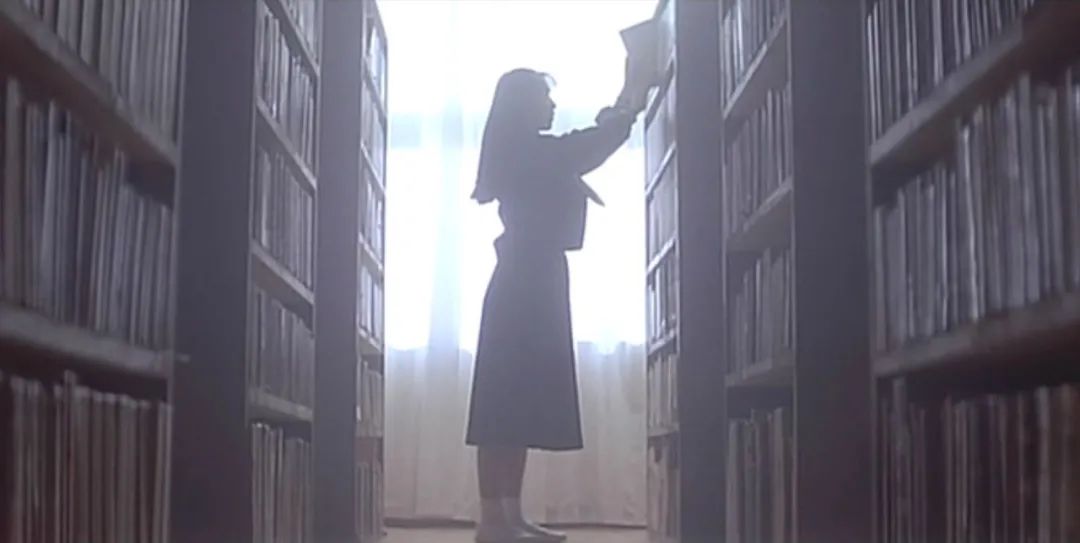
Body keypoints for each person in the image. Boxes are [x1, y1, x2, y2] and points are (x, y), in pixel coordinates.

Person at [466, 68, 639, 543]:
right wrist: (626, 106)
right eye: (545, 97)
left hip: (531, 278)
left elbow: (579, 147)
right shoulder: (525, 151)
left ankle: (509, 515)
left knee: (515, 400)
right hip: (524, 281)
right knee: (503, 402)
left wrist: (620, 109)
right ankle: (493, 521)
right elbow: (585, 148)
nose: (553, 105)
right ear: (523, 104)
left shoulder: (523, 150)